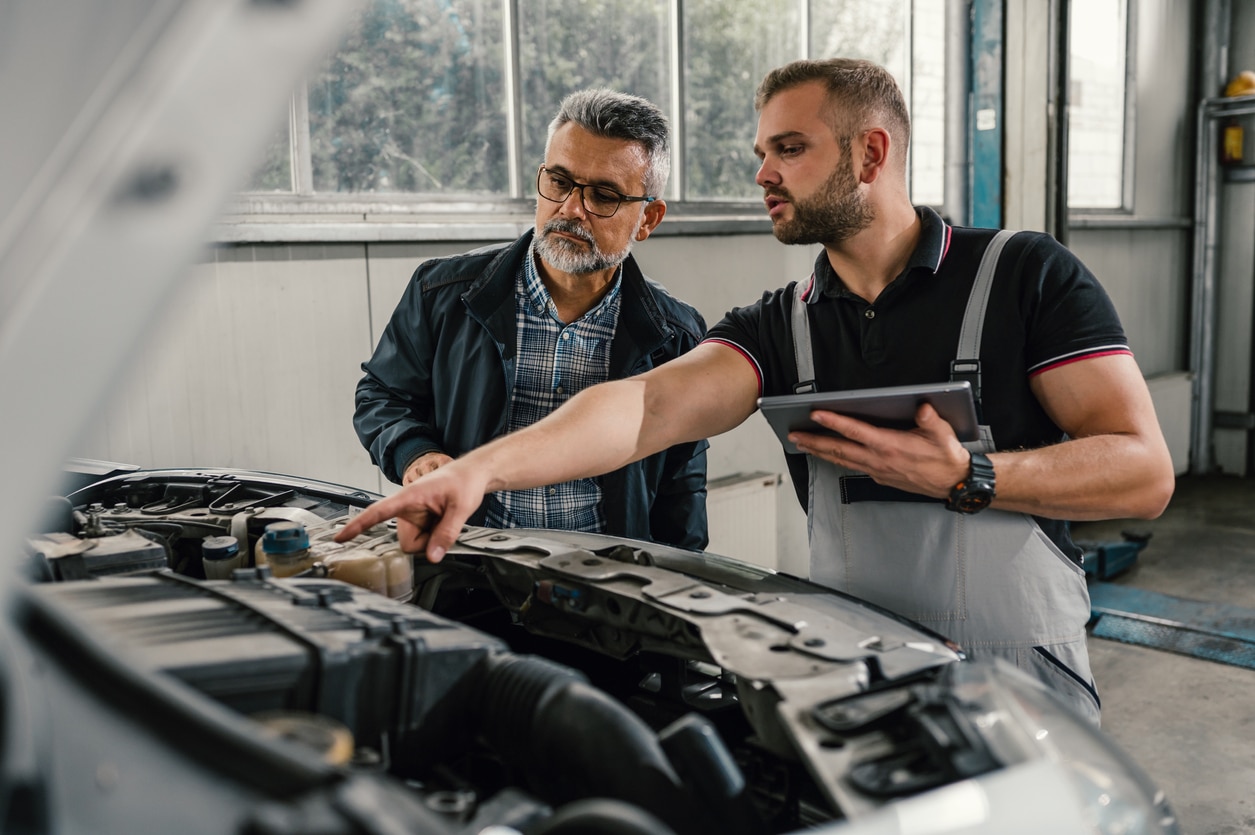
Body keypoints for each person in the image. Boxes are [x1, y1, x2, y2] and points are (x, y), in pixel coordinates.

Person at [338, 59, 1176, 724]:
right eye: (759, 154)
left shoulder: (1023, 275)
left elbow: (1143, 471)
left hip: (1021, 672)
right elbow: (643, 407)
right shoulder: (783, 325)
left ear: (870, 153)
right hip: (860, 671)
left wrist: (971, 477)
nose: (762, 174)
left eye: (789, 149)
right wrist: (477, 471)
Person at [352, 88, 709, 550]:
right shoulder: (439, 294)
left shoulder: (676, 337)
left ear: (648, 219)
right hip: (469, 562)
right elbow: (381, 395)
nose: (571, 209)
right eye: (559, 182)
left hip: (607, 582)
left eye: (603, 195)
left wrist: (678, 588)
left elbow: (682, 485)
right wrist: (416, 453)